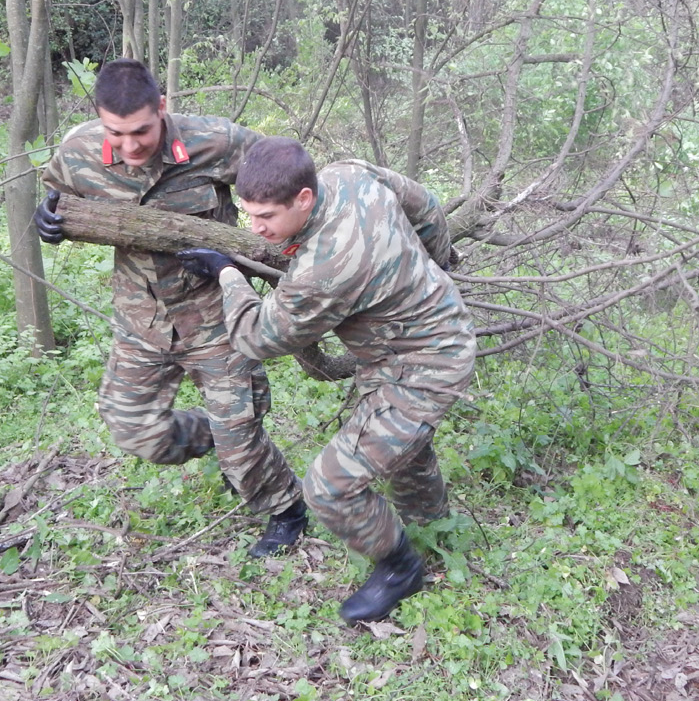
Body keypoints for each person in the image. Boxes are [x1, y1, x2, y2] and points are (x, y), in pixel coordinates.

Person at [177, 137, 477, 625]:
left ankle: (400, 569)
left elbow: (256, 337)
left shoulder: (323, 270)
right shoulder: (350, 174)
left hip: (426, 365)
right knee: (402, 447)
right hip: (415, 341)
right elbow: (426, 206)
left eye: (266, 218)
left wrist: (227, 272)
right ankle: (433, 524)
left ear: (303, 199)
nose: (255, 228)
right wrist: (438, 264)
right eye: (248, 214)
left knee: (330, 487)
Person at [34, 59, 306, 557]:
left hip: (216, 317)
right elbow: (58, 193)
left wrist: (250, 253)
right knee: (135, 431)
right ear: (99, 118)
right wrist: (49, 216)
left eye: (141, 130)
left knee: (240, 432)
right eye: (117, 133)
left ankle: (285, 507)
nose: (131, 145)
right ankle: (229, 438)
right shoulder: (79, 150)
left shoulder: (217, 141)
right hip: (142, 320)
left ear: (161, 108)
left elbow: (287, 182)